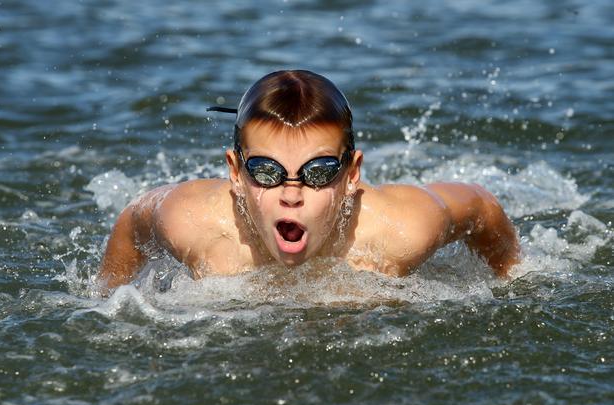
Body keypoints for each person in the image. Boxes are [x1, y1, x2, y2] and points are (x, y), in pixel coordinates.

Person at [98, 70, 520, 290]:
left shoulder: (400, 231)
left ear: (351, 175)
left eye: (319, 173)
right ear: (235, 173)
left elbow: (480, 206)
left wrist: (511, 276)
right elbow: (135, 219)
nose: (291, 195)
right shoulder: (194, 223)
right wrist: (109, 294)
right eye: (266, 171)